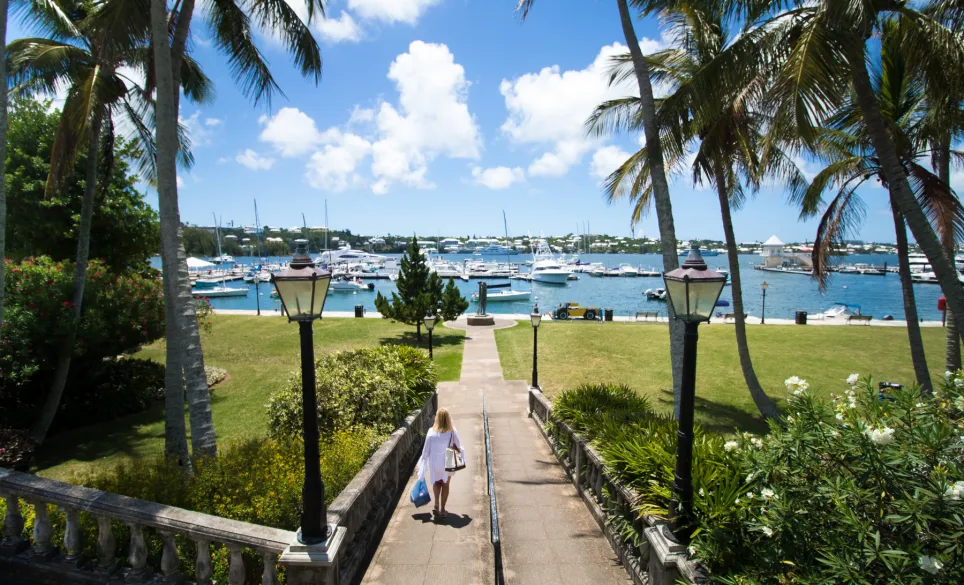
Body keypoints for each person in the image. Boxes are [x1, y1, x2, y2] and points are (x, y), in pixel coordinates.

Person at [417, 408, 465, 518]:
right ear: (448, 418)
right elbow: (458, 445)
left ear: (437, 418)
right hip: (447, 462)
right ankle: (443, 509)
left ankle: (436, 504)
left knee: (436, 483)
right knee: (446, 485)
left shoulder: (430, 432)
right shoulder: (452, 431)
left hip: (434, 463)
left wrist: (422, 465)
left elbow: (425, 450)